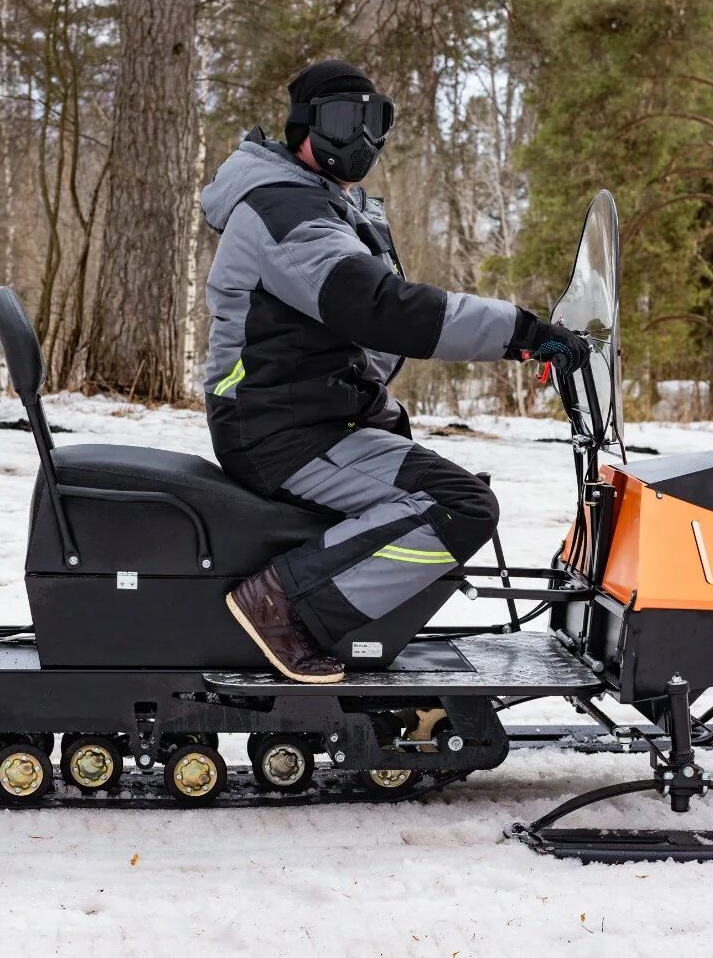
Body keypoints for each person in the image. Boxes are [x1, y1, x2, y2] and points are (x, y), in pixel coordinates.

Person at [199, 59, 591, 684]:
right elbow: (382, 309)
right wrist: (523, 330)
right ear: (305, 124)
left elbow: (363, 330)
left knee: (446, 489)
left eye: (374, 119)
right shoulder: (285, 212)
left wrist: (379, 406)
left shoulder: (323, 204)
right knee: (460, 504)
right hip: (283, 431)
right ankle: (284, 605)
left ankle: (338, 606)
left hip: (308, 418)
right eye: (342, 119)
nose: (360, 137)